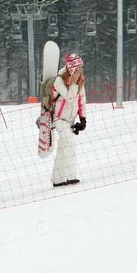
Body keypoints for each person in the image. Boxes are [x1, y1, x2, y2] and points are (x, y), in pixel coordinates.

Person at [47, 54, 87, 187]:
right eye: (76, 70)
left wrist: (82, 118)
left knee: (64, 147)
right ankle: (71, 176)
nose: (79, 72)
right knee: (71, 144)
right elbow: (69, 96)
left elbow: (82, 100)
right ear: (70, 69)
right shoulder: (59, 81)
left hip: (70, 121)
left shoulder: (80, 81)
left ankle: (57, 179)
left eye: (80, 69)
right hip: (59, 119)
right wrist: (74, 83)